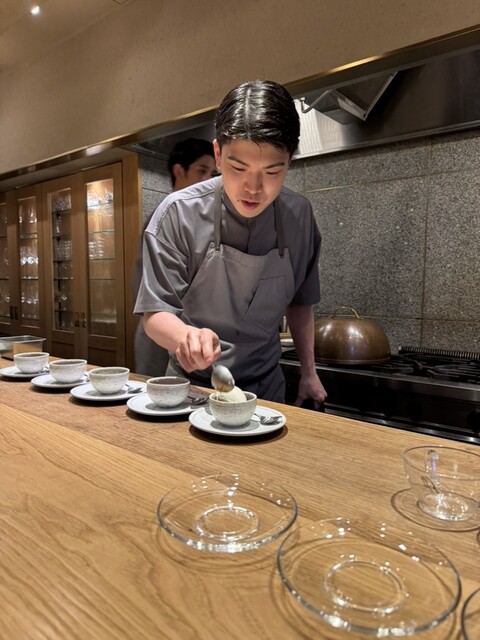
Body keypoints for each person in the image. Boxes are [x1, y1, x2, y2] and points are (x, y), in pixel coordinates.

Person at [134, 80, 327, 407]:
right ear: (218, 155)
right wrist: (186, 337)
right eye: (239, 168)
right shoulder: (179, 213)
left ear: (289, 162)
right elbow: (154, 313)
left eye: (272, 172)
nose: (254, 188)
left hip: (268, 389)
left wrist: (309, 372)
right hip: (193, 389)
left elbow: (300, 303)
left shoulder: (299, 216)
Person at [133, 138, 216, 376]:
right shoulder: (164, 219)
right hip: (159, 337)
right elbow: (146, 293)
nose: (208, 179)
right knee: (160, 393)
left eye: (212, 173)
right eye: (202, 171)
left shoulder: (205, 218)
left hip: (194, 338)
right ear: (179, 171)